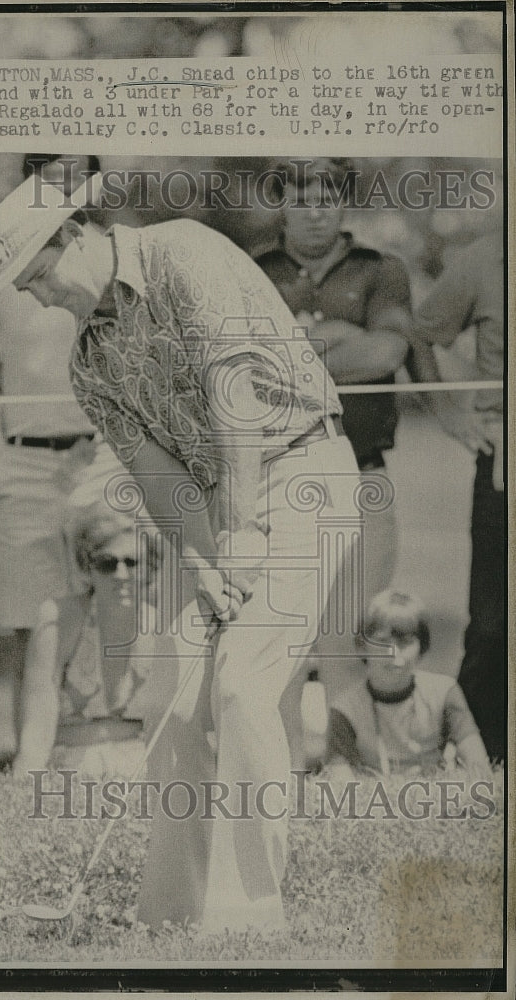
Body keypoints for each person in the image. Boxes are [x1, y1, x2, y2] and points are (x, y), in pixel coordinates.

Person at [0, 173, 360, 935]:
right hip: (218, 505)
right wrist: (207, 561)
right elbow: (158, 476)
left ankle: (246, 925)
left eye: (38, 275)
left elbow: (233, 396)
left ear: (74, 233)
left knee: (244, 687)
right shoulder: (90, 361)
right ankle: (172, 918)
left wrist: (242, 538)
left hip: (302, 470)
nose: (37, 298)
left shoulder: (181, 251)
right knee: (177, 699)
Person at [0, 154, 122, 723]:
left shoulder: (111, 251)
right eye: (48, 170)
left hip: (106, 454)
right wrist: (4, 378)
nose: (62, 183)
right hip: (27, 461)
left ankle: (117, 746)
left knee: (118, 613)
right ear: (26, 178)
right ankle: (32, 766)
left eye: (76, 172)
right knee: (36, 622)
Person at [255, 158, 414, 737]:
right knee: (282, 632)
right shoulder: (253, 270)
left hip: (363, 471)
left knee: (348, 631)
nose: (315, 211)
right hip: (276, 474)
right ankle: (285, 769)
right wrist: (341, 340)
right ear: (282, 205)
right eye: (301, 199)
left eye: (327, 198)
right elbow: (245, 370)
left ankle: (348, 764)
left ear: (344, 203)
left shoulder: (382, 270)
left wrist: (294, 354)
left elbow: (385, 355)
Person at [408, 227, 505, 763]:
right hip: (504, 462)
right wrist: (447, 410)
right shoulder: (484, 258)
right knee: (492, 623)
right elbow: (419, 335)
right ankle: (478, 756)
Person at [12, 504, 159, 779]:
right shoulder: (58, 619)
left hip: (143, 768)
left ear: (150, 566)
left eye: (132, 562)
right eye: (107, 564)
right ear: (87, 567)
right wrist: (25, 782)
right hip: (72, 767)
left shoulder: (163, 628)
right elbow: (36, 724)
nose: (121, 575)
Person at [325, 590, 492, 778]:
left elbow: (479, 767)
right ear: (362, 646)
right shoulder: (344, 709)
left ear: (422, 647)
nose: (393, 653)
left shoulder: (444, 692)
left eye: (405, 642)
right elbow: (340, 783)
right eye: (382, 642)